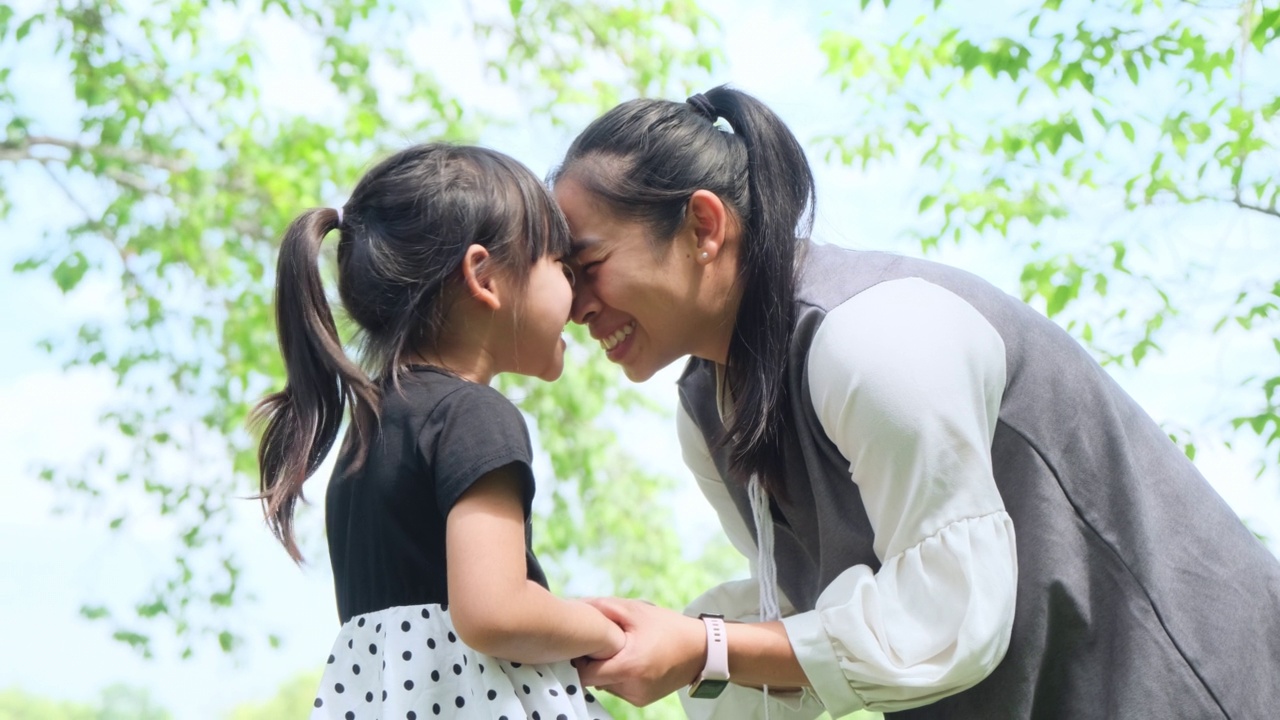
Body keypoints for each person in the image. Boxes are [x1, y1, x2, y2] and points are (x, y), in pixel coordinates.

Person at [551, 85, 1280, 719]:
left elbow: (946, 619)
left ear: (705, 227)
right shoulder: (707, 411)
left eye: (587, 265)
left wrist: (703, 649)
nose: (572, 305)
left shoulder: (872, 336)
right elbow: (816, 630)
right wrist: (639, 643)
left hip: (1198, 686)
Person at [253, 143, 619, 720]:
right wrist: (603, 628)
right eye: (563, 267)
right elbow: (494, 610)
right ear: (483, 276)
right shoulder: (474, 415)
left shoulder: (368, 435)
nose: (578, 302)